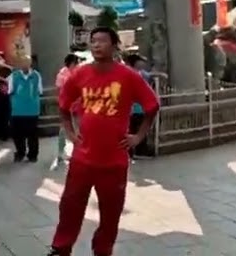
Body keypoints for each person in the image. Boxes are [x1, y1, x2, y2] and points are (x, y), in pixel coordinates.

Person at [48, 27, 159, 256]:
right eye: (93, 41)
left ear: (114, 45)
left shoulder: (128, 76)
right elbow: (63, 104)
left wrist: (138, 137)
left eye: (102, 41)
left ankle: (103, 250)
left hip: (114, 161)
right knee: (70, 205)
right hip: (83, 158)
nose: (96, 45)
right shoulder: (80, 73)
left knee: (111, 212)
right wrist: (69, 131)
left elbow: (152, 106)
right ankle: (61, 248)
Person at [8, 56, 43, 163]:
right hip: (17, 111)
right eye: (23, 63)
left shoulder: (36, 75)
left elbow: (40, 91)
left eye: (27, 63)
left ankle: (32, 155)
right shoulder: (14, 76)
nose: (25, 65)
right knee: (17, 134)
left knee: (33, 134)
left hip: (32, 110)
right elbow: (9, 91)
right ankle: (20, 153)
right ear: (20, 64)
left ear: (30, 63)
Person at [124, 54, 155, 160]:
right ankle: (137, 151)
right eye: (140, 61)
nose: (143, 63)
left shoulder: (130, 74)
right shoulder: (138, 74)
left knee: (134, 130)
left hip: (135, 109)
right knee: (136, 130)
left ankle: (133, 152)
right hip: (137, 109)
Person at [53, 54, 81, 168]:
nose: (77, 65)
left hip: (78, 105)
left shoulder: (78, 73)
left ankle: (78, 152)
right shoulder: (62, 75)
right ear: (72, 63)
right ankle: (61, 152)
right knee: (64, 129)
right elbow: (59, 90)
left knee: (78, 129)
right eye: (76, 63)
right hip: (66, 105)